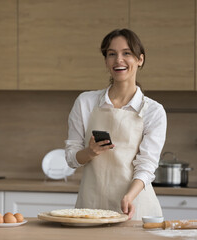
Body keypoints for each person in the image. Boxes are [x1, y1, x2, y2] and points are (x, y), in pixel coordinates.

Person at [65, 28, 166, 220]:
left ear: (140, 59)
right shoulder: (85, 102)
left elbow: (146, 166)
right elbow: (71, 157)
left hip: (134, 208)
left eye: (126, 53)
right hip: (91, 209)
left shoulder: (153, 111)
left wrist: (129, 196)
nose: (118, 60)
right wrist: (90, 152)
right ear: (106, 61)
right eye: (112, 54)